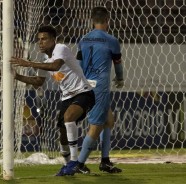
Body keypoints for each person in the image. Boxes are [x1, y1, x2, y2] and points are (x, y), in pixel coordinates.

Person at [10, 25, 95, 176]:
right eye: (38, 40)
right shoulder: (44, 60)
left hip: (84, 92)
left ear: (53, 39)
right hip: (67, 97)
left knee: (69, 118)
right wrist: (16, 76)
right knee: (62, 132)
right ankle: (68, 164)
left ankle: (75, 162)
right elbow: (38, 81)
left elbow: (55, 65)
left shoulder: (61, 48)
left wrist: (29, 63)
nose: (40, 43)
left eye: (44, 39)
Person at [63, 6, 124, 175]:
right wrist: (120, 79)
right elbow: (118, 65)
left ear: (92, 21)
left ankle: (105, 161)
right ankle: (79, 163)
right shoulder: (112, 40)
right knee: (96, 126)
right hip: (100, 86)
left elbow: (79, 64)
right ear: (107, 21)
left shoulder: (83, 39)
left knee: (108, 121)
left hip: (85, 85)